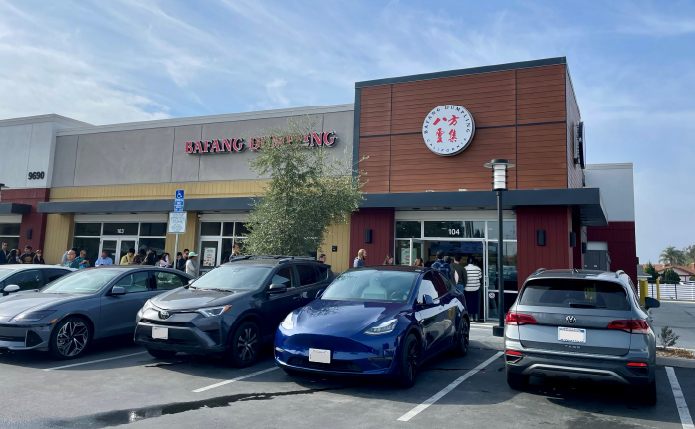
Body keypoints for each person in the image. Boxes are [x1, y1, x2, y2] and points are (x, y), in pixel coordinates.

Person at [465, 257, 483, 322]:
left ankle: (471, 317)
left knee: (469, 303)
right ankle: (476, 316)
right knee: (476, 303)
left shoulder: (465, 269)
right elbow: (480, 278)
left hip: (467, 288)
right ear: (473, 262)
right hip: (476, 288)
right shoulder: (478, 269)